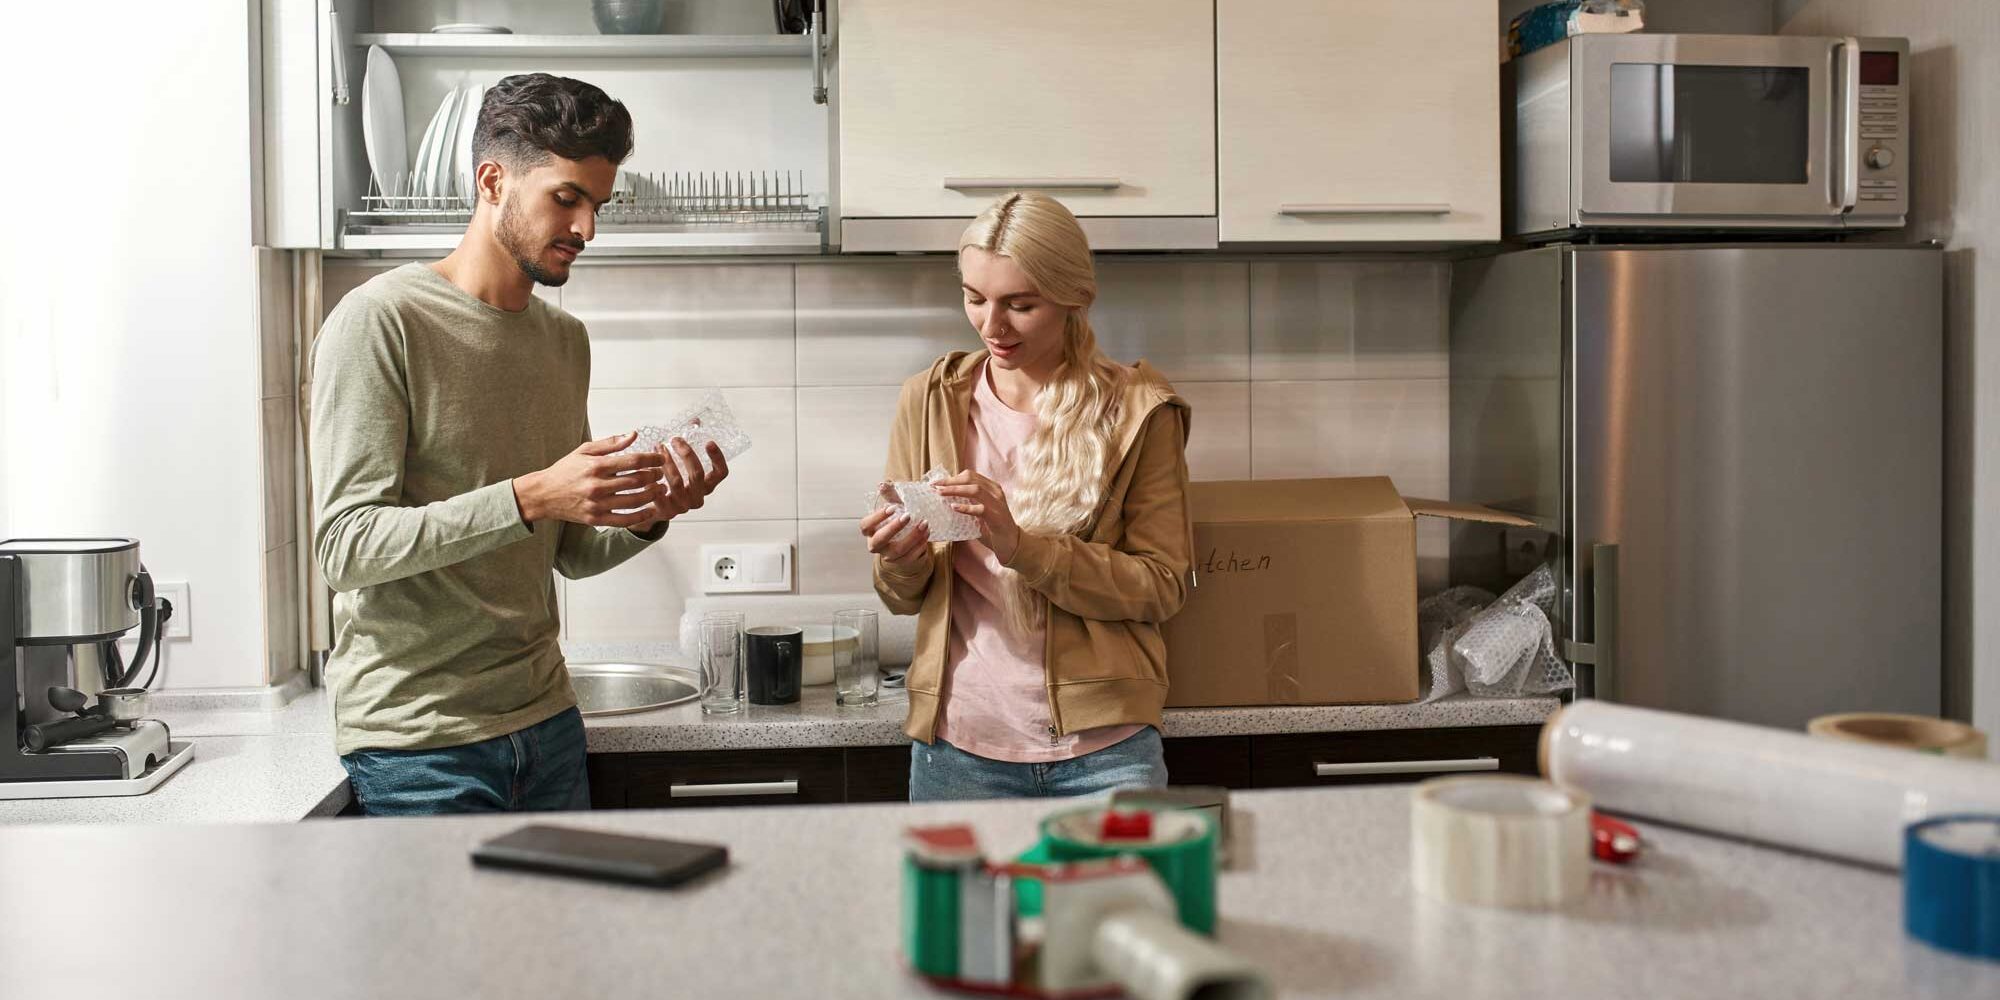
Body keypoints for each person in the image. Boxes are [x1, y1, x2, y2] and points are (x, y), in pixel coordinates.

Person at [311, 73, 728, 815]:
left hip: (546, 725)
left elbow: (562, 548)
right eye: (566, 198)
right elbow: (346, 547)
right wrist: (533, 493)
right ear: (493, 181)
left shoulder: (563, 340)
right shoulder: (380, 321)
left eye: (597, 205)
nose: (586, 229)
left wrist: (650, 511)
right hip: (420, 743)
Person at [864, 192, 1195, 801]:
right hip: (956, 752)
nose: (993, 326)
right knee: (959, 904)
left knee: (1113, 903)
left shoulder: (1138, 410)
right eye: (975, 298)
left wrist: (1019, 544)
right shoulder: (929, 399)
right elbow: (901, 597)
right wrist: (900, 558)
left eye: (1021, 304)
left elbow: (1161, 585)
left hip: (1106, 754)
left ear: (1074, 299)